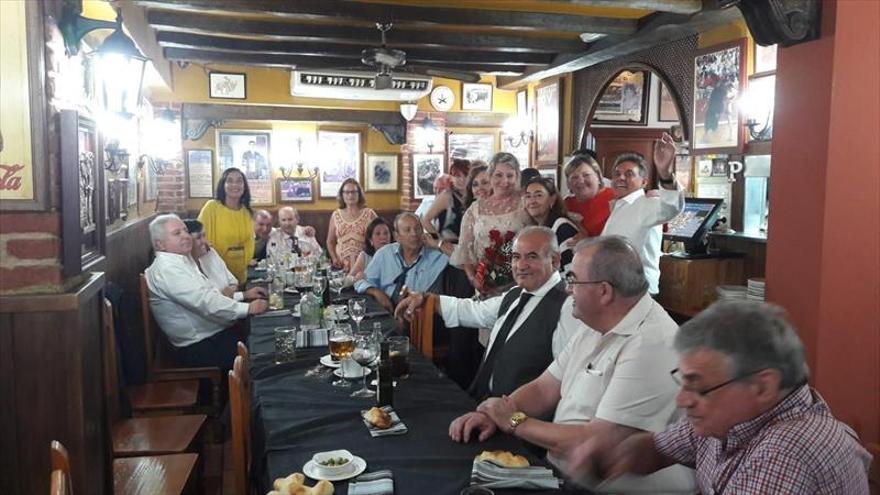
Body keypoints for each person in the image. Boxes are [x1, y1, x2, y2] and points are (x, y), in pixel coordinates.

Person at [448, 237, 695, 493]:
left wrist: (512, 420)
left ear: (604, 291)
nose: (568, 289)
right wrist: (494, 413)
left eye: (573, 280)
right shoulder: (596, 322)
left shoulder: (652, 344)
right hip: (559, 474)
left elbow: (596, 441)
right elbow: (544, 388)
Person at [565, 301, 873, 494]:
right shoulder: (728, 416)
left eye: (697, 387)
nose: (683, 400)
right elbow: (657, 449)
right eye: (683, 381)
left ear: (762, 387)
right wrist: (614, 453)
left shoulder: (785, 451)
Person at [397, 226, 582, 400]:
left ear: (555, 261)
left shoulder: (567, 308)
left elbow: (565, 388)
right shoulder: (515, 294)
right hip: (481, 403)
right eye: (516, 257)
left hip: (517, 422)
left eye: (532, 257)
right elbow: (474, 311)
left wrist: (515, 421)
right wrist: (427, 299)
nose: (521, 265)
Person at [145, 214, 268, 372]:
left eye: (185, 230)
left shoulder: (181, 260)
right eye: (177, 233)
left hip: (214, 334)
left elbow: (211, 293)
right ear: (160, 244)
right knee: (263, 351)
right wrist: (247, 308)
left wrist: (242, 296)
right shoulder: (167, 269)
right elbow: (205, 302)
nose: (186, 236)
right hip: (198, 346)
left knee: (262, 334)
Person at [601, 134, 684, 294]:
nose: (621, 178)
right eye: (617, 174)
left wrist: (664, 172)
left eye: (629, 174)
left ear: (644, 182)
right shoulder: (619, 205)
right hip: (617, 288)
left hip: (638, 290)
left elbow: (672, 207)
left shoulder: (647, 204)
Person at [452, 152, 532, 297]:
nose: (505, 181)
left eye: (510, 175)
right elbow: (465, 250)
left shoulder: (526, 202)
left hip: (520, 282)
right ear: (490, 176)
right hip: (485, 284)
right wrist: (474, 279)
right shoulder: (475, 209)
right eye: (499, 175)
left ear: (517, 176)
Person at [354, 213, 448, 313]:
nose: (414, 234)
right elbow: (360, 282)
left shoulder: (436, 257)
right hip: (385, 313)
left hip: (417, 317)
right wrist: (375, 291)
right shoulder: (385, 254)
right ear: (397, 236)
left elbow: (461, 258)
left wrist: (438, 244)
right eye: (408, 230)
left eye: (418, 229)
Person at [198, 168, 254, 284]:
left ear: (244, 186)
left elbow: (249, 241)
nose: (235, 185)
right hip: (216, 275)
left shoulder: (246, 211)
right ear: (223, 185)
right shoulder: (211, 207)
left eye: (239, 181)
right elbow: (198, 237)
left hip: (240, 274)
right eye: (230, 181)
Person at [523, 177, 580, 273]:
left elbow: (571, 270)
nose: (532, 201)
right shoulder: (536, 229)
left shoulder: (563, 227)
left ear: (552, 199)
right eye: (528, 196)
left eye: (538, 195)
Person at [327, 178, 378, 274]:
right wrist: (334, 258)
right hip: (342, 267)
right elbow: (330, 241)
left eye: (354, 192)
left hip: (365, 266)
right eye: (346, 192)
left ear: (359, 194)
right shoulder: (336, 215)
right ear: (342, 194)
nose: (350, 195)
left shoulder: (369, 214)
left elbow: (380, 239)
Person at [183, 219, 242, 299]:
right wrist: (244, 295)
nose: (205, 241)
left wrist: (231, 289)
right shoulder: (184, 268)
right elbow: (210, 303)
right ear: (186, 242)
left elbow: (233, 281)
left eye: (204, 235)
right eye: (198, 237)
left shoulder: (210, 254)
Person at [562, 154, 614, 237]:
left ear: (598, 176)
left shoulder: (615, 197)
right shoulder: (566, 204)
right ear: (568, 183)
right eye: (574, 177)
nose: (581, 181)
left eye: (586, 175)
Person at [421, 159, 470, 244]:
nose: (462, 180)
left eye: (465, 175)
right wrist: (439, 241)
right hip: (448, 248)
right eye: (457, 176)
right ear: (451, 178)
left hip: (467, 248)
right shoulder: (447, 195)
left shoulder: (474, 197)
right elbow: (425, 220)